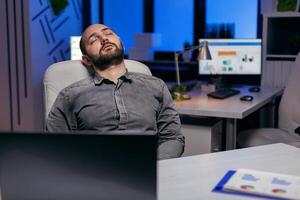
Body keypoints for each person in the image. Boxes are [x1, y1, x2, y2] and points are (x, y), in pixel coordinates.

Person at [46, 24, 184, 159]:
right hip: (97, 176)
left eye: (108, 33)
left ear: (122, 45)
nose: (104, 39)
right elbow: (56, 148)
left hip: (150, 172)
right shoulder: (69, 96)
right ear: (86, 59)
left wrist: (153, 168)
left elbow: (172, 137)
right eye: (93, 40)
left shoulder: (156, 86)